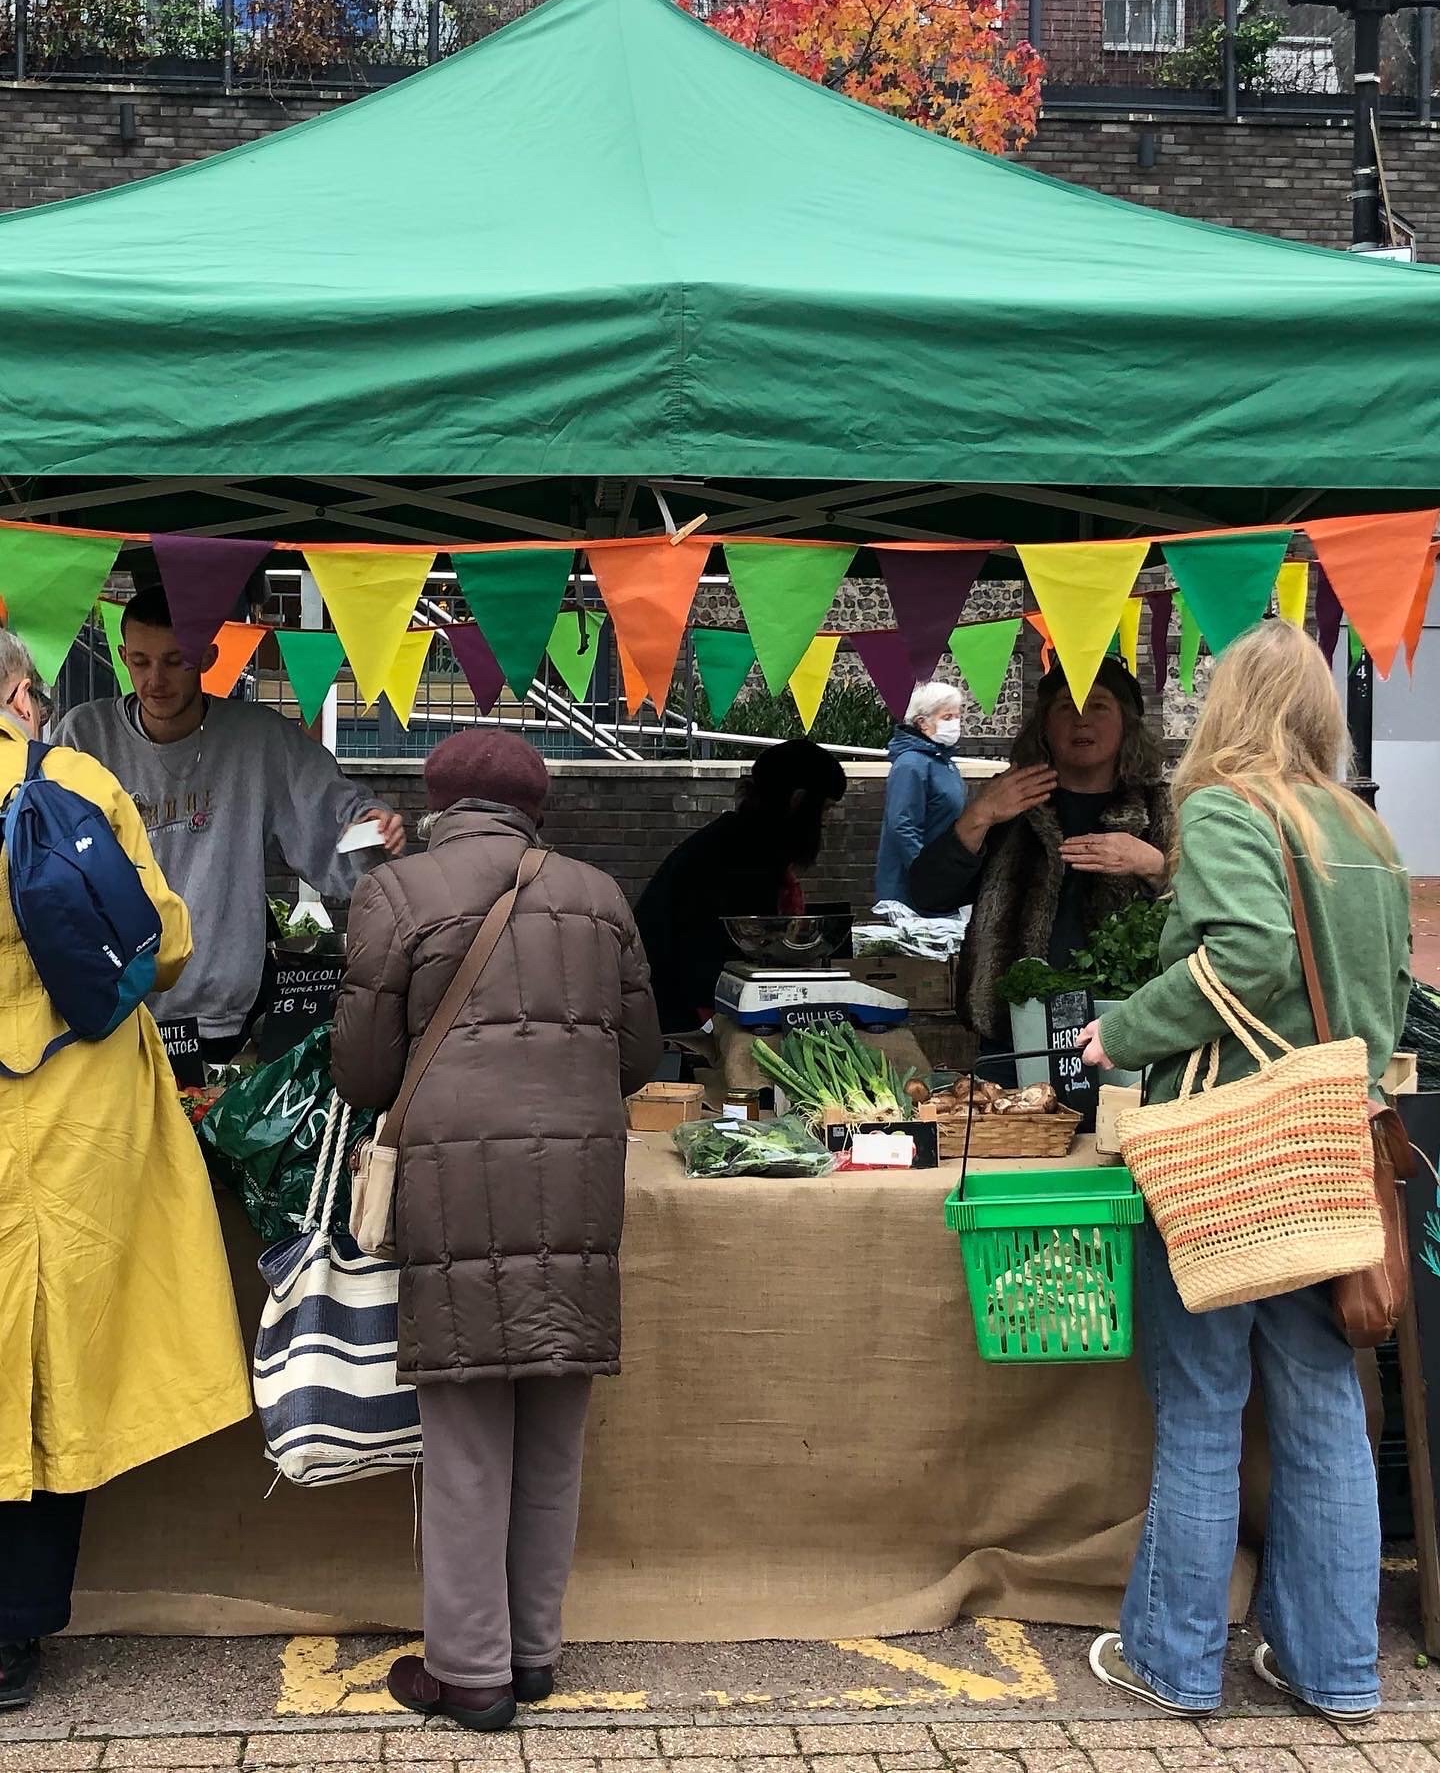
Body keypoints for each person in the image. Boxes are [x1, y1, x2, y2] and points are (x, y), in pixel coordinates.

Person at [1077, 621, 1411, 1723]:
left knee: (1204, 1403)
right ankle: (1336, 1669)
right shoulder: (1360, 826)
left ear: (1227, 705)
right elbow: (1385, 997)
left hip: (1228, 1146)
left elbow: (1251, 954)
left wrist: (1124, 1028)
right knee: (1321, 1408)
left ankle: (1173, 1661)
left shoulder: (1226, 804)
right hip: (1331, 1143)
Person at [332, 730, 660, 1734]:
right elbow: (641, 1055)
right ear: (536, 806)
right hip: (577, 1184)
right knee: (553, 1424)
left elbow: (362, 1073)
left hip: (455, 1186)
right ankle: (532, 1651)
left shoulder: (397, 893)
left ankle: (470, 1672)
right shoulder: (601, 897)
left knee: (468, 1430)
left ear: (438, 800)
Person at [0, 629, 251, 1713]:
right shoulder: (75, 777)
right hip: (76, 1103)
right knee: (59, 1359)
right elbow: (167, 942)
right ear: (18, 688)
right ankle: (13, 1635)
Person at [57, 584, 405, 1061]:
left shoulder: (256, 740)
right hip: (112, 1013)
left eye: (174, 660)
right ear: (121, 656)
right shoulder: (83, 735)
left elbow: (334, 825)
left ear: (207, 656)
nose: (154, 679)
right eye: (139, 661)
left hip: (220, 1019)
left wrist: (371, 827)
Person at [909, 659, 1171, 1048]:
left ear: (1126, 723)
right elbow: (928, 894)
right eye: (1067, 706)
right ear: (1044, 726)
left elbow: (1212, 907)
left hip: (1129, 1034)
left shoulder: (1163, 807)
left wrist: (1154, 865)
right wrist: (977, 817)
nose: (1082, 720)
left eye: (1098, 705)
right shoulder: (1011, 802)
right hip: (1014, 1032)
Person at [634, 739, 848, 1033]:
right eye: (824, 810)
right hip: (675, 1012)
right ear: (797, 801)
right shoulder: (737, 857)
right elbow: (707, 960)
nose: (826, 822)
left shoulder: (741, 842)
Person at [874, 682, 968, 907]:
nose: (955, 723)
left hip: (942, 882)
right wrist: (927, 873)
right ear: (922, 722)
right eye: (947, 717)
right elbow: (902, 825)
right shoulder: (911, 765)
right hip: (913, 890)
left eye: (957, 716)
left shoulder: (943, 762)